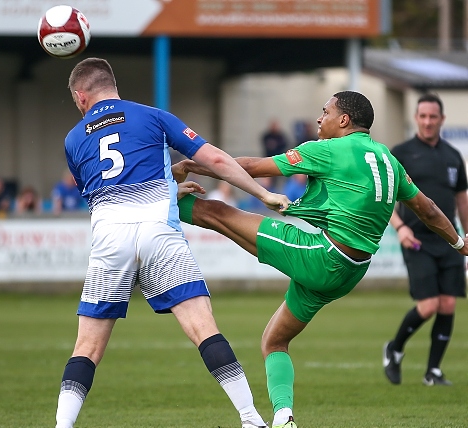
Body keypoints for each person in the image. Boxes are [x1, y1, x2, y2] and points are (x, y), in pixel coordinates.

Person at [172, 91, 468, 428]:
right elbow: (427, 208)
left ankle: (152, 198)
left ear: (343, 120)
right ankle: (284, 417)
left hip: (323, 257)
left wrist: (193, 165)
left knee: (216, 211)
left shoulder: (330, 149)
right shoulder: (388, 158)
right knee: (274, 341)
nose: (318, 118)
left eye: (324, 111)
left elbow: (252, 168)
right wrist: (460, 242)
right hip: (351, 272)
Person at [53, 57, 291, 428]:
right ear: (112, 86)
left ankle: (61, 426)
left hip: (109, 240)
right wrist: (263, 194)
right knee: (203, 329)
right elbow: (212, 158)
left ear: (81, 96)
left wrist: (167, 184)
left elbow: (108, 188)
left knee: (87, 348)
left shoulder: (72, 139)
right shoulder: (152, 116)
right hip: (158, 234)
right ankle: (251, 419)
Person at [382, 93, 468, 387]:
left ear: (441, 119)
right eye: (423, 116)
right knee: (429, 305)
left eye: (433, 117)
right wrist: (399, 227)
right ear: (416, 118)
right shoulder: (401, 153)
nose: (428, 122)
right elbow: (383, 198)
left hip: (449, 240)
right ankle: (394, 349)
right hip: (416, 239)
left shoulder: (453, 156)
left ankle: (433, 371)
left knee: (447, 305)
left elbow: (462, 200)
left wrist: (465, 236)